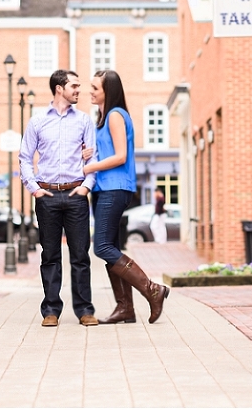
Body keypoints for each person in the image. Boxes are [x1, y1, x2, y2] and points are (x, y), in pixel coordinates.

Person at [83, 70, 170, 324]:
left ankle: (152, 290)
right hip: (104, 188)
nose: (91, 92)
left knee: (102, 247)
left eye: (95, 88)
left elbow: (121, 156)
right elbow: (109, 150)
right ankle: (125, 308)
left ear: (107, 92)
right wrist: (92, 153)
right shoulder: (103, 117)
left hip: (115, 187)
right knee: (111, 248)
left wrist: (90, 167)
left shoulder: (115, 115)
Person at [18, 70, 98, 327]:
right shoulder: (38, 121)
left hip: (76, 195)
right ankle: (51, 310)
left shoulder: (84, 121)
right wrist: (34, 189)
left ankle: (85, 310)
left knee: (80, 256)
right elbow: (25, 157)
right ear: (59, 88)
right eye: (74, 85)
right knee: (50, 255)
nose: (78, 90)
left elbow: (92, 158)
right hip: (48, 195)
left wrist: (86, 187)